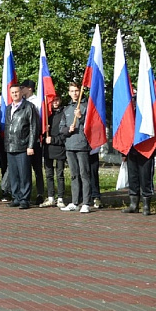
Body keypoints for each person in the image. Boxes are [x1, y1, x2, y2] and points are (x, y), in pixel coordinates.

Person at [4, 84, 39, 209]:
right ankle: (16, 197)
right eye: (12, 92)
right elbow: (8, 127)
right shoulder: (8, 108)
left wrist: (30, 146)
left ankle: (25, 199)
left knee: (24, 174)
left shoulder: (29, 107)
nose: (14, 94)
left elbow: (33, 127)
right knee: (14, 175)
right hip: (10, 146)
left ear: (21, 93)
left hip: (23, 146)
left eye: (16, 92)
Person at [60, 82, 91, 213]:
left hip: (82, 145)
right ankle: (74, 201)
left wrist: (81, 117)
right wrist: (68, 129)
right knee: (74, 174)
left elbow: (92, 125)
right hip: (70, 146)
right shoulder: (66, 109)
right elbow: (61, 129)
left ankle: (86, 203)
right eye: (72, 91)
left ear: (80, 92)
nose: (74, 93)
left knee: (84, 174)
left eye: (77, 90)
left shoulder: (86, 106)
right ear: (69, 93)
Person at [20, 79, 45, 204]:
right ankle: (25, 193)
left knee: (37, 168)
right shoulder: (21, 102)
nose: (21, 90)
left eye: (22, 87)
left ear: (29, 88)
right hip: (23, 140)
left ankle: (40, 193)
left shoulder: (36, 102)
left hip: (35, 139)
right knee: (25, 168)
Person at [41, 96, 66, 208]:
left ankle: (60, 198)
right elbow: (40, 132)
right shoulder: (47, 115)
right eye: (53, 101)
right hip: (48, 148)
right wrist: (44, 129)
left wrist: (54, 139)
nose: (55, 102)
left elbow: (65, 132)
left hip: (59, 147)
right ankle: (50, 197)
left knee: (59, 174)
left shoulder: (64, 113)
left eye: (57, 100)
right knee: (49, 174)